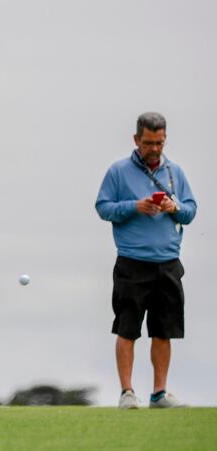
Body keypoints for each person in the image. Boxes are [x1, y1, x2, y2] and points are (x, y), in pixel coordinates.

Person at [96, 112, 197, 409]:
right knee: (127, 328)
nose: (155, 148)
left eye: (160, 142)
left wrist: (173, 206)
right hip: (132, 261)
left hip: (168, 262)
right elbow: (103, 207)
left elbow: (190, 211)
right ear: (136, 139)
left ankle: (159, 393)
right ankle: (127, 393)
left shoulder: (174, 173)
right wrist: (134, 206)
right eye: (149, 142)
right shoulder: (118, 172)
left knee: (163, 330)